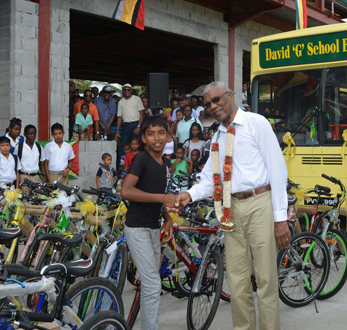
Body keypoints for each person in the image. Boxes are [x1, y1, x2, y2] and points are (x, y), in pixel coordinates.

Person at [175, 81, 289, 330]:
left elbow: (278, 170)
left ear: (230, 95)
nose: (213, 106)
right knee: (237, 282)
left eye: (217, 100)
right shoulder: (217, 137)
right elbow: (208, 179)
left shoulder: (256, 123)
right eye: (207, 104)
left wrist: (280, 219)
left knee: (266, 280)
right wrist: (189, 195)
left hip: (259, 204)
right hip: (230, 210)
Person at [120, 116, 176, 330]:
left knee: (151, 284)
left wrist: (167, 216)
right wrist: (163, 199)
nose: (157, 138)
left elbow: (158, 194)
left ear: (168, 135)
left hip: (153, 228)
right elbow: (126, 191)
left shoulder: (165, 163)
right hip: (137, 228)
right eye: (151, 134)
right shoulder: (141, 159)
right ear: (143, 138)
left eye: (161, 132)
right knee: (153, 285)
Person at [116, 84, 145, 157]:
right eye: (125, 90)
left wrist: (138, 126)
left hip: (136, 124)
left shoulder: (137, 99)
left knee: (136, 146)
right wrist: (117, 131)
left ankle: (137, 164)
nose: (127, 91)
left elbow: (142, 114)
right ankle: (123, 164)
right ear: (123, 91)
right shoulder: (121, 102)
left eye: (128, 89)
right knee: (124, 146)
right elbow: (119, 117)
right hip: (126, 125)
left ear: (131, 90)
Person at [17, 125, 46, 194]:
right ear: (25, 134)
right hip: (24, 177)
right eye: (30, 134)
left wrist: (44, 177)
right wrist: (17, 182)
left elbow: (41, 163)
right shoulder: (19, 147)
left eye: (34, 134)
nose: (32, 136)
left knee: (36, 200)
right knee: (25, 200)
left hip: (36, 177)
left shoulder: (39, 147)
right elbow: (16, 165)